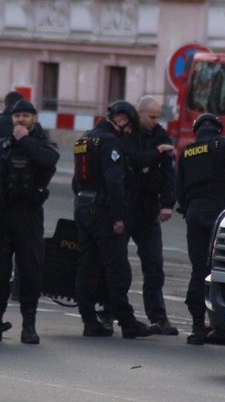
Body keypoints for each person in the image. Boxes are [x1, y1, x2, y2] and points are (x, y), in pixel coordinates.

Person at [72, 101, 154, 339]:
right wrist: (118, 217)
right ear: (120, 119)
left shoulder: (84, 140)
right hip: (103, 211)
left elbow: (76, 181)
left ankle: (89, 321)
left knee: (87, 267)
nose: (128, 132)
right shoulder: (110, 143)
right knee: (118, 268)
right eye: (128, 126)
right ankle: (127, 322)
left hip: (83, 206)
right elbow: (114, 182)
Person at [0, 99, 60, 344]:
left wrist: (25, 140)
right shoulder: (0, 146)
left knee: (30, 271)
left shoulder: (42, 145)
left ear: (34, 119)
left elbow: (48, 161)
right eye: (17, 117)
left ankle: (29, 325)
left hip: (29, 215)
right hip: (3, 215)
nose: (21, 120)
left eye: (26, 116)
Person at [175, 112, 225, 345]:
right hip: (222, 217)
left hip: (195, 215)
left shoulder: (187, 152)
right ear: (218, 129)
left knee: (199, 270)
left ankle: (198, 328)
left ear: (197, 131)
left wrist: (189, 209)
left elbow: (180, 190)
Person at [122, 96, 178, 336]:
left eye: (158, 117)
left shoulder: (161, 135)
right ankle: (109, 311)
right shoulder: (126, 133)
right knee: (116, 264)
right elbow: (133, 159)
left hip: (147, 208)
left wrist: (167, 204)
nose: (156, 121)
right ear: (139, 112)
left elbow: (169, 173)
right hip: (124, 206)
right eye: (152, 117)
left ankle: (158, 317)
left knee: (154, 265)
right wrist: (156, 153)